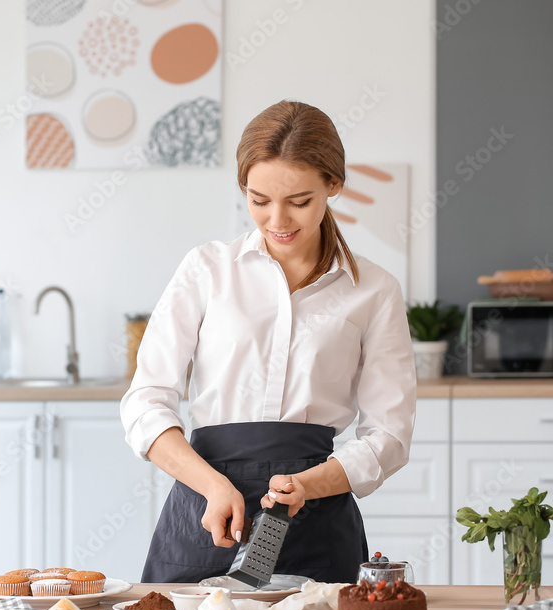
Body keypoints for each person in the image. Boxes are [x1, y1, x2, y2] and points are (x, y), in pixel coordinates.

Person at [120, 100, 416, 584]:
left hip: (316, 515)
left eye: (299, 201)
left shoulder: (374, 290)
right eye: (259, 200)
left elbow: (389, 435)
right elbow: (145, 402)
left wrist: (309, 485)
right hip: (205, 508)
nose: (278, 219)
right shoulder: (206, 270)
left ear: (333, 186)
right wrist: (212, 486)